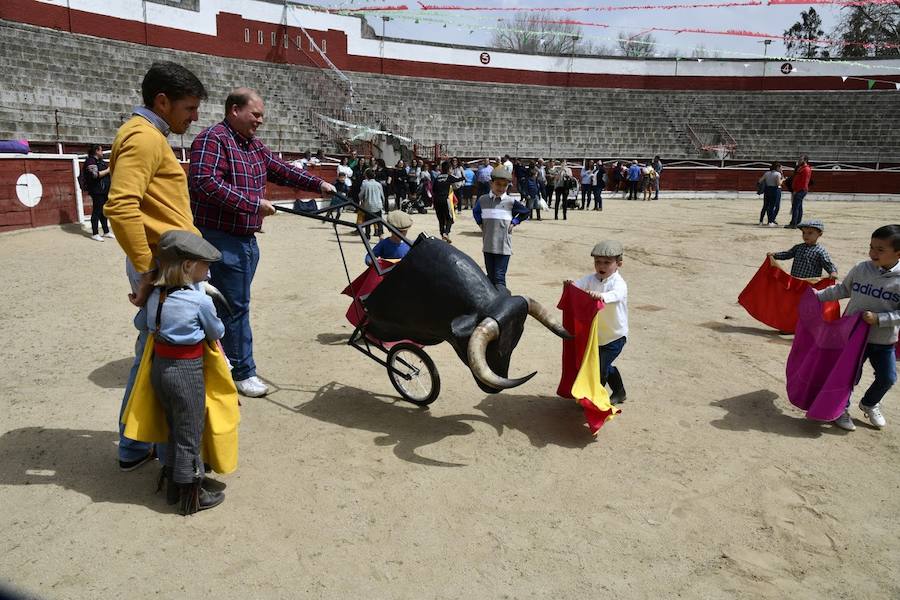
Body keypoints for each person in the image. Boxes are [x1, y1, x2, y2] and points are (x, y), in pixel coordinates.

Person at [189, 87, 334, 398]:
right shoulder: (212, 139)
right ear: (234, 111)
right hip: (219, 237)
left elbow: (281, 170)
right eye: (255, 114)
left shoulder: (253, 146)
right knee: (235, 306)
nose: (260, 121)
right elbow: (204, 183)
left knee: (225, 304)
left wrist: (319, 184)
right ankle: (243, 372)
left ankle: (215, 358)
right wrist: (253, 204)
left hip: (244, 239)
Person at [105, 60, 207, 471]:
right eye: (189, 108)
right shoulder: (145, 138)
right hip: (165, 267)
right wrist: (149, 270)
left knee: (153, 354)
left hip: (168, 264)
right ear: (162, 101)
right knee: (162, 358)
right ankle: (146, 447)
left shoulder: (145, 135)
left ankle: (137, 444)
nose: (195, 117)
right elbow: (120, 206)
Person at [136, 230, 226, 514]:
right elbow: (217, 331)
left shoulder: (156, 297)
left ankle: (175, 483)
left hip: (160, 368)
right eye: (205, 265)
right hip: (186, 371)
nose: (208, 270)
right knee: (190, 431)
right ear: (188, 266)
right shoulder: (199, 301)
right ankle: (192, 495)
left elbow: (143, 324)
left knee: (175, 427)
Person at [815, 224, 900, 431]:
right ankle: (840, 409)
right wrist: (815, 297)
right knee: (848, 376)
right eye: (871, 247)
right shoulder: (861, 268)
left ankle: (869, 403)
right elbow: (843, 289)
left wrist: (880, 318)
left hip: (883, 341)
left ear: (898, 253)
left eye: (880, 250)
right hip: (852, 337)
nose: (872, 253)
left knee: (888, 377)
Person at [566, 240, 629, 404]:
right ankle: (620, 392)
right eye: (597, 262)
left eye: (607, 263)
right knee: (602, 366)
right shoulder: (590, 279)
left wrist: (602, 296)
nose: (601, 266)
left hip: (615, 337)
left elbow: (616, 295)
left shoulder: (619, 283)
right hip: (595, 337)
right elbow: (577, 288)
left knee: (598, 369)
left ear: (619, 264)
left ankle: (594, 401)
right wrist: (570, 285)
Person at [472, 165, 530, 288]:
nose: (501, 188)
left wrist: (515, 221)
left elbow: (525, 212)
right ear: (491, 183)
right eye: (498, 184)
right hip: (488, 246)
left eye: (505, 185)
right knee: (490, 277)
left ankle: (502, 302)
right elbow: (476, 211)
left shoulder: (510, 202)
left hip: (503, 248)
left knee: (499, 278)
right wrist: (480, 223)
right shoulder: (483, 200)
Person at [767, 219, 837, 279]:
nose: (805, 235)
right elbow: (787, 254)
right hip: (795, 280)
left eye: (810, 233)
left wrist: (833, 272)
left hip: (810, 283)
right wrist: (775, 255)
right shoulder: (798, 247)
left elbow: (827, 264)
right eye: (803, 232)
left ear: (820, 234)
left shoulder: (820, 251)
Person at [83, 143, 112, 241]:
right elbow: (95, 175)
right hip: (96, 190)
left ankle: (106, 231)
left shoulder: (100, 161)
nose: (102, 152)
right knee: (97, 211)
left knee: (103, 211)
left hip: (103, 190)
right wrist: (108, 170)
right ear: (96, 151)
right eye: (101, 150)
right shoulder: (90, 161)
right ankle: (95, 233)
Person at [432, 160, 464, 243]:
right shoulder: (449, 177)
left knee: (441, 219)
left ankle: (442, 235)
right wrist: (462, 172)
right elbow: (460, 179)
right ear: (449, 169)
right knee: (450, 218)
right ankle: (446, 233)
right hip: (445, 200)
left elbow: (433, 189)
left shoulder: (437, 177)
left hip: (436, 200)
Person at [359, 167, 385, 240]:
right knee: (379, 221)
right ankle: (380, 235)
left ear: (366, 176)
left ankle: (367, 236)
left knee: (367, 222)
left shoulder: (365, 184)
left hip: (368, 206)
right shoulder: (378, 184)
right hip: (378, 205)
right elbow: (382, 196)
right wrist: (382, 204)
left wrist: (361, 201)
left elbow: (360, 195)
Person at [786, 155, 812, 228]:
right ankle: (797, 223)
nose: (799, 161)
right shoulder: (802, 168)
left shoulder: (805, 169)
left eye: (800, 159)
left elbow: (803, 182)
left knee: (795, 207)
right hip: (800, 190)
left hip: (800, 190)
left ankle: (793, 224)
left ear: (805, 160)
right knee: (799, 207)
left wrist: (796, 190)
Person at [758, 162, 784, 227]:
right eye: (781, 167)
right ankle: (770, 222)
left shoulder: (767, 173)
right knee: (772, 206)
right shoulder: (777, 174)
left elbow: (760, 181)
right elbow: (778, 184)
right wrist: (783, 180)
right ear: (777, 167)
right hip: (774, 190)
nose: (781, 169)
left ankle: (761, 221)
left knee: (765, 206)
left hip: (767, 190)